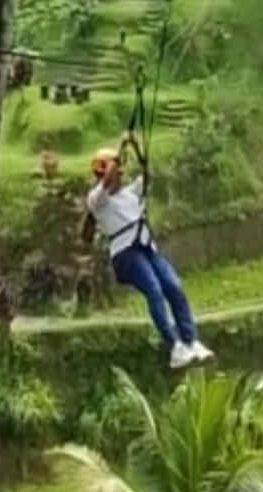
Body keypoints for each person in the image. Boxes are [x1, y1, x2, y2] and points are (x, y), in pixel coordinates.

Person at [84, 137, 207, 368]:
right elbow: (108, 177)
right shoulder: (96, 199)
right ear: (103, 174)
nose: (119, 174)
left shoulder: (130, 193)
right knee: (154, 290)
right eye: (116, 170)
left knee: (174, 286)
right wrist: (121, 148)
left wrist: (138, 150)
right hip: (125, 255)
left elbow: (148, 175)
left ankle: (190, 341)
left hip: (145, 247)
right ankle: (174, 345)